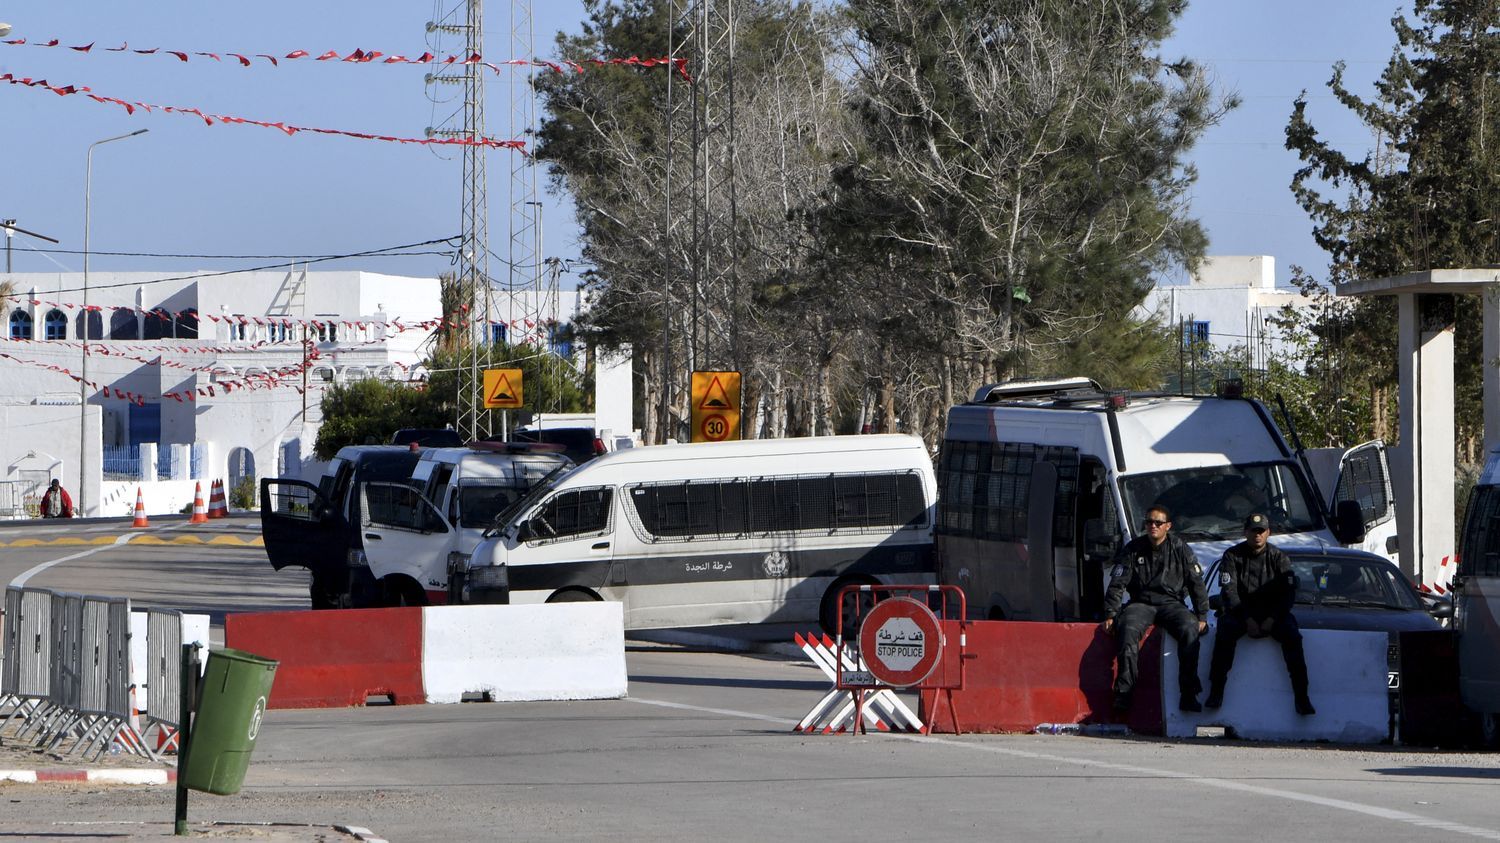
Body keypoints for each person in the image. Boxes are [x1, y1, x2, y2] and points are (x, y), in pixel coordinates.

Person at [1101, 504, 1210, 713]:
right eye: (1149, 522)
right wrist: (1111, 614)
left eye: (1158, 523)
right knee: (1127, 629)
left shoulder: (1180, 548)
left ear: (1168, 526)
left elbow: (1196, 583)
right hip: (1141, 603)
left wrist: (1201, 615)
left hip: (1171, 603)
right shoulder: (1133, 549)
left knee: (1189, 628)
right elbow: (1117, 583)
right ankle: (1124, 694)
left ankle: (1188, 694)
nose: (1153, 526)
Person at [1205, 513, 1315, 715]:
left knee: (1293, 636)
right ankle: (1216, 692)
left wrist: (1271, 619)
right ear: (1245, 532)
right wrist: (1247, 620)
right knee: (1224, 632)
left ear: (1268, 533)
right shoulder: (1232, 556)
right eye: (1253, 531)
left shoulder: (1279, 557)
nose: (1257, 535)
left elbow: (1287, 595)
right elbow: (1229, 592)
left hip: (1273, 613)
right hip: (1241, 612)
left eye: (1261, 531)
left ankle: (1302, 697)